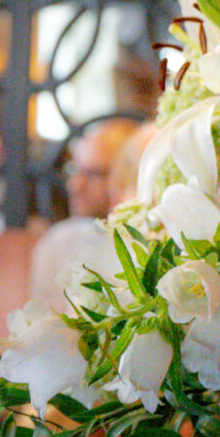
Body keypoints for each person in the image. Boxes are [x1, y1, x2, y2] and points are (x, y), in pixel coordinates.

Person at [30, 117, 141, 303]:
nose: (75, 185)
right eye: (74, 170)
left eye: (94, 174)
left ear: (130, 176)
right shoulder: (58, 243)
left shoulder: (153, 244)